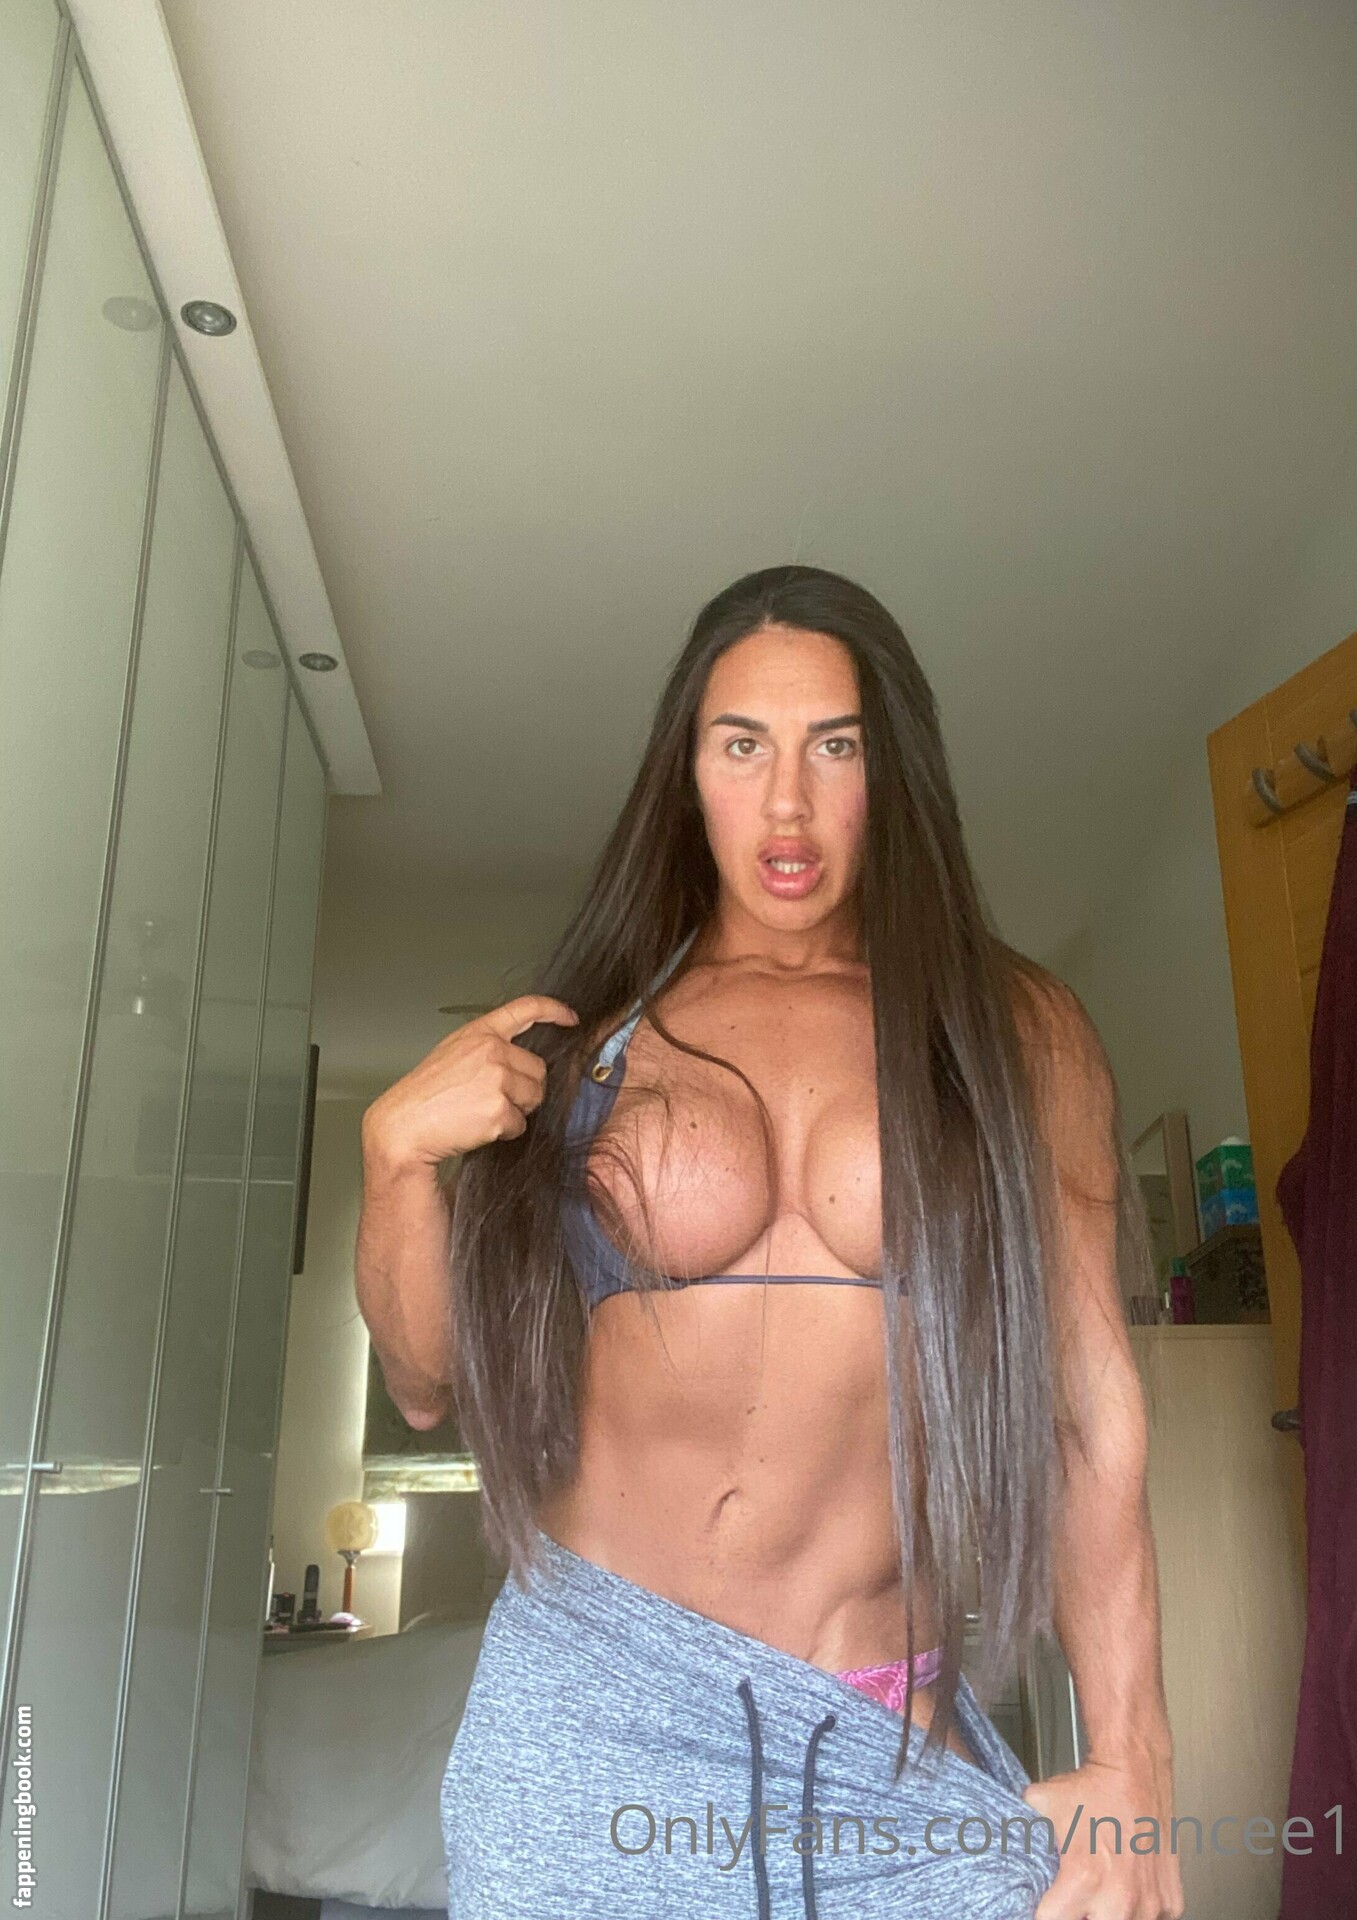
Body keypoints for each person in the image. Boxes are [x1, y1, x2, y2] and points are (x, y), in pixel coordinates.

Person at [356, 566, 1182, 1919]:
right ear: (687, 772)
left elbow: (1089, 1412)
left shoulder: (1012, 1030)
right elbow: (423, 1381)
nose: (787, 804)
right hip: (591, 1714)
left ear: (891, 770)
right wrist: (393, 1157)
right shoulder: (586, 1040)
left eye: (834, 746)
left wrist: (1135, 1758)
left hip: (881, 1744)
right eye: (742, 746)